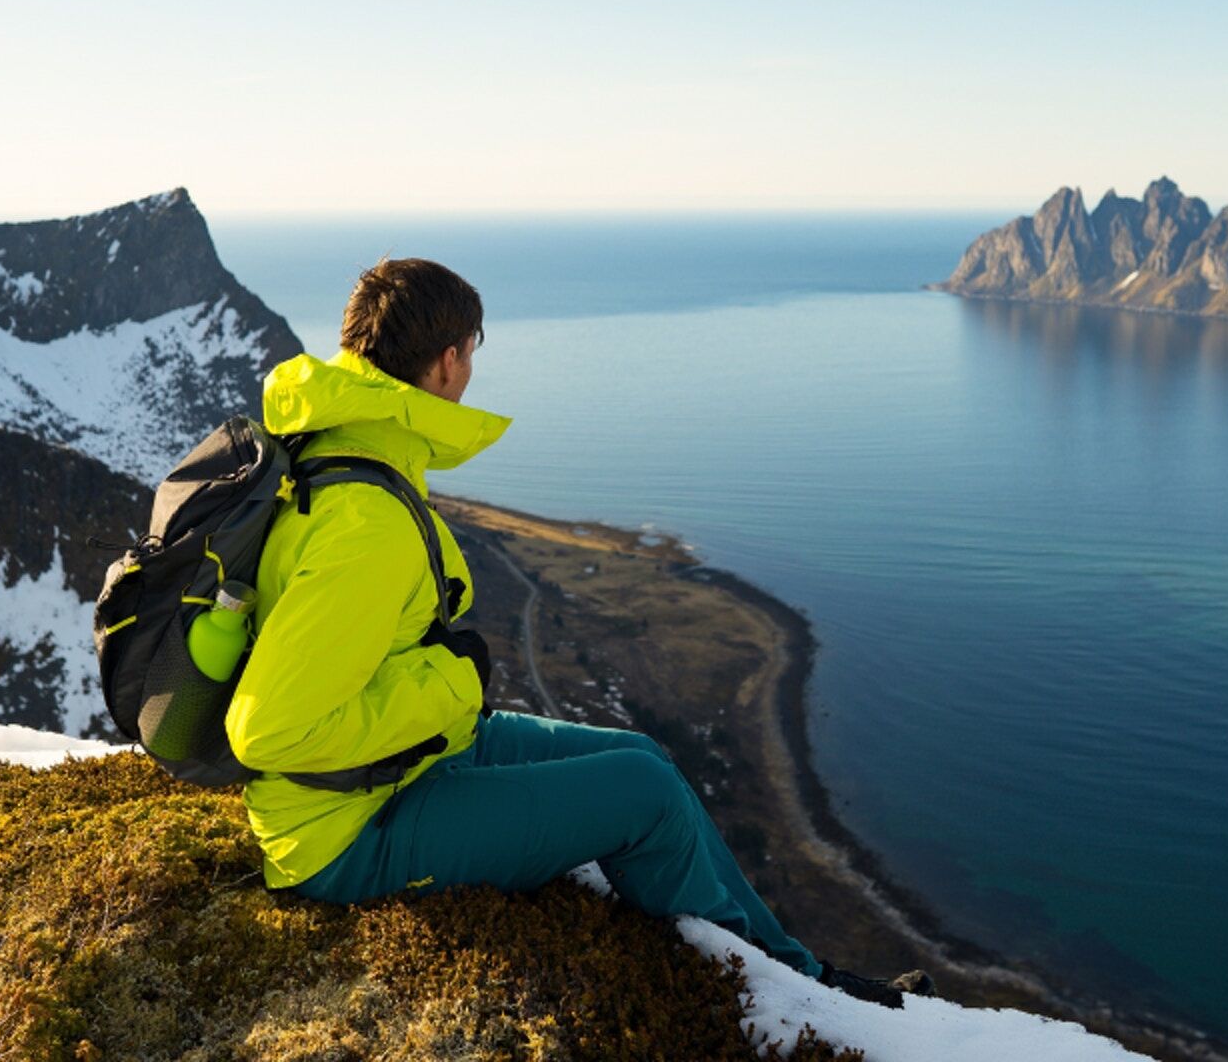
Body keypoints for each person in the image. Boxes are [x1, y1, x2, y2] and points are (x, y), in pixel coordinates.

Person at [224, 257, 910, 1007]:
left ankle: (797, 972)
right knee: (642, 791)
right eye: (472, 355)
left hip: (394, 767)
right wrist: (447, 685)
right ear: (450, 360)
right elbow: (270, 732)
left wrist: (439, 695)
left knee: (641, 757)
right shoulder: (367, 521)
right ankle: (782, 1003)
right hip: (344, 833)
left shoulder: (343, 450)